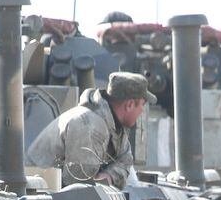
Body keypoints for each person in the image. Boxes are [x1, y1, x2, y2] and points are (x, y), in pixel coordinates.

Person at [25, 71, 155, 189]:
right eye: (142, 105)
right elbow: (78, 190)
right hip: (38, 195)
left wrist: (109, 176)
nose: (142, 111)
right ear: (130, 105)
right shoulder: (88, 125)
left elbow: (125, 161)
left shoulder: (116, 125)